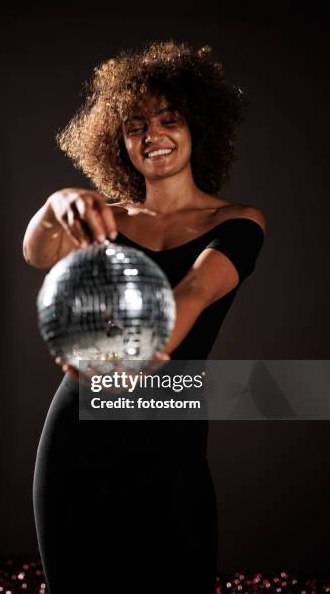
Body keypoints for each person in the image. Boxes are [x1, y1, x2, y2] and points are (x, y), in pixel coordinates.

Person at [23, 41, 266, 593]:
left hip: (169, 431)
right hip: (79, 429)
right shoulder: (104, 217)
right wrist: (58, 200)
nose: (151, 135)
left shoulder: (238, 220)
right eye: (135, 125)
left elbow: (197, 290)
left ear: (197, 124)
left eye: (167, 118)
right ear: (119, 141)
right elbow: (38, 252)